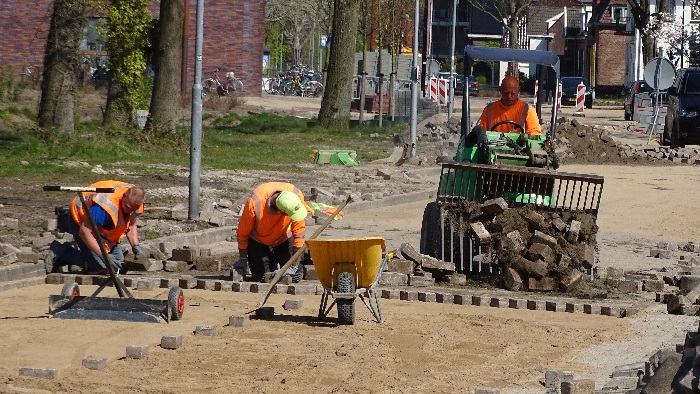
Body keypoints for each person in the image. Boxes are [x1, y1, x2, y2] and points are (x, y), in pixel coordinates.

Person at [45, 180, 146, 275]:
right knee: (98, 267)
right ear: (125, 195)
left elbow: (131, 224)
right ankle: (60, 251)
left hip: (105, 228)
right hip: (81, 220)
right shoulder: (104, 207)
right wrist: (103, 255)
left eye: (133, 209)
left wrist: (136, 247)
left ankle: (92, 256)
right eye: (128, 207)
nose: (130, 211)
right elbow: (84, 232)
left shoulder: (135, 204)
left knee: (117, 267)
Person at [232, 182, 310, 283]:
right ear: (281, 212)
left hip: (284, 236)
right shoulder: (255, 201)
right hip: (259, 240)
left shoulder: (295, 197)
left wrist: (294, 266)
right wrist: (242, 258)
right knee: (261, 277)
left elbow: (299, 235)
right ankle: (270, 262)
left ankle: (282, 262)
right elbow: (243, 232)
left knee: (294, 278)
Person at [477, 75, 542, 136]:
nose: (509, 97)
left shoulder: (527, 110)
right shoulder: (489, 110)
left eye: (513, 93)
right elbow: (481, 132)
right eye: (506, 93)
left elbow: (534, 134)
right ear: (500, 90)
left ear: (518, 91)